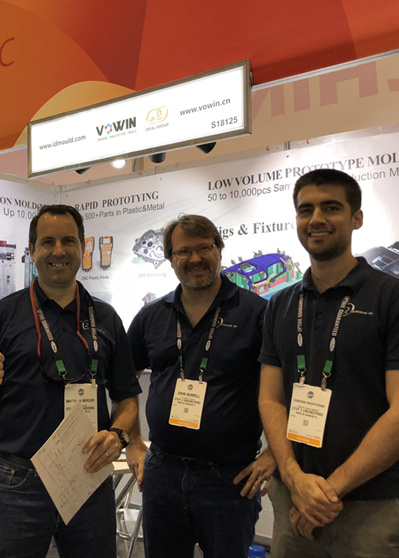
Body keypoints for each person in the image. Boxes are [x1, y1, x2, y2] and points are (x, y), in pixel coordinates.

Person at [258, 169, 399, 557]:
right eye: (306, 210)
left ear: (356, 218)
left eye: (331, 207)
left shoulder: (396, 298)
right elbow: (270, 399)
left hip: (375, 507)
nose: (316, 219)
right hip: (295, 504)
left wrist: (329, 491)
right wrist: (294, 479)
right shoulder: (280, 305)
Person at [0, 204, 141, 558]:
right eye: (48, 242)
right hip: (18, 482)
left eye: (68, 241)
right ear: (32, 250)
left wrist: (118, 434)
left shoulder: (106, 317)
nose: (59, 251)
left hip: (89, 477)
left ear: (82, 247)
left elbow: (127, 397)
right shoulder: (1, 316)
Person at [126, 214, 275, 558]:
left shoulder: (258, 313)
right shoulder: (151, 316)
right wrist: (133, 442)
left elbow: (288, 388)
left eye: (204, 248)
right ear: (170, 258)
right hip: (162, 473)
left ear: (219, 250)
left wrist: (274, 455)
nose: (195, 259)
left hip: (229, 478)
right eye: (183, 252)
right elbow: (124, 380)